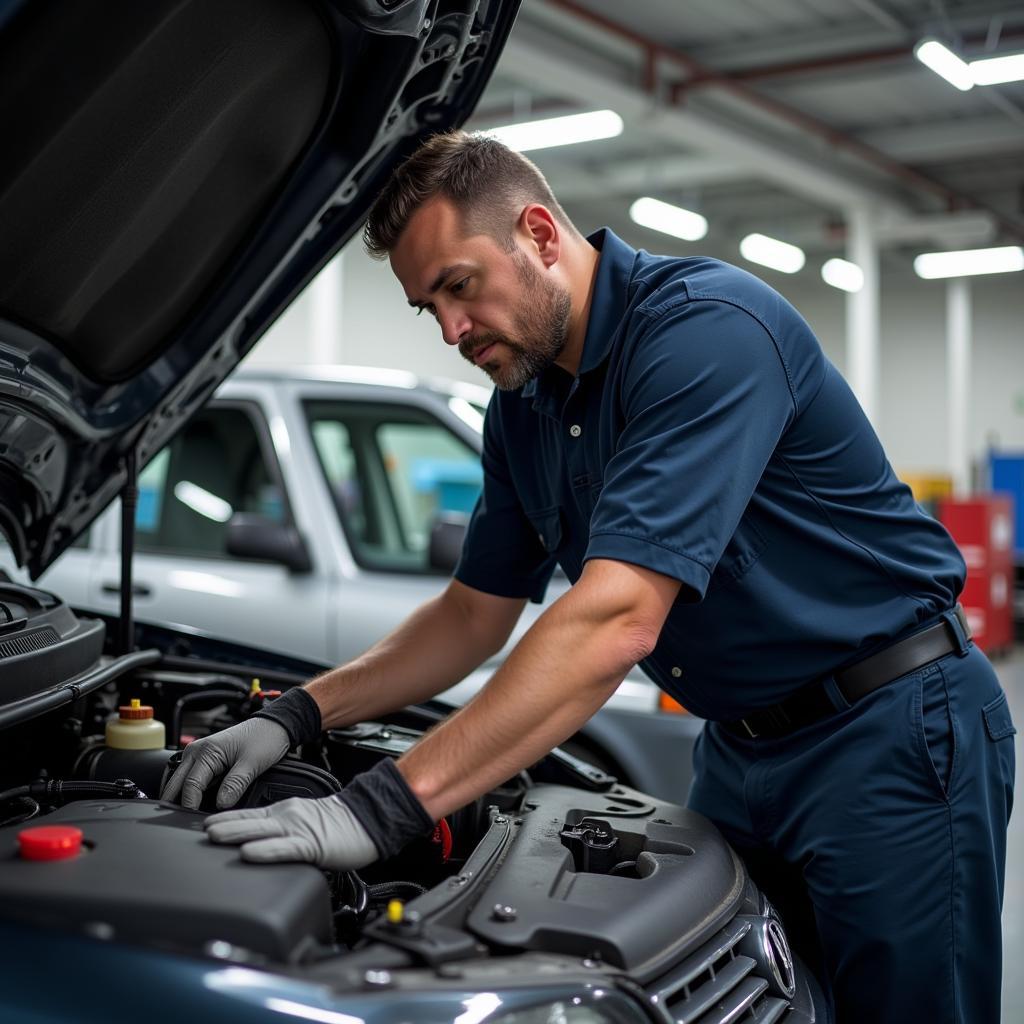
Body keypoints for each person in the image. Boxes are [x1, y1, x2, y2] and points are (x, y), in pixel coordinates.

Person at [162, 131, 1015, 1022]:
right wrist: (298, 712)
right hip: (742, 748)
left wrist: (382, 811)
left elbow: (616, 619)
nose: (452, 330)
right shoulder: (522, 410)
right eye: (429, 309)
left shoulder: (705, 333)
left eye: (459, 286)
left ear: (537, 232)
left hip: (891, 731)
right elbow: (469, 616)